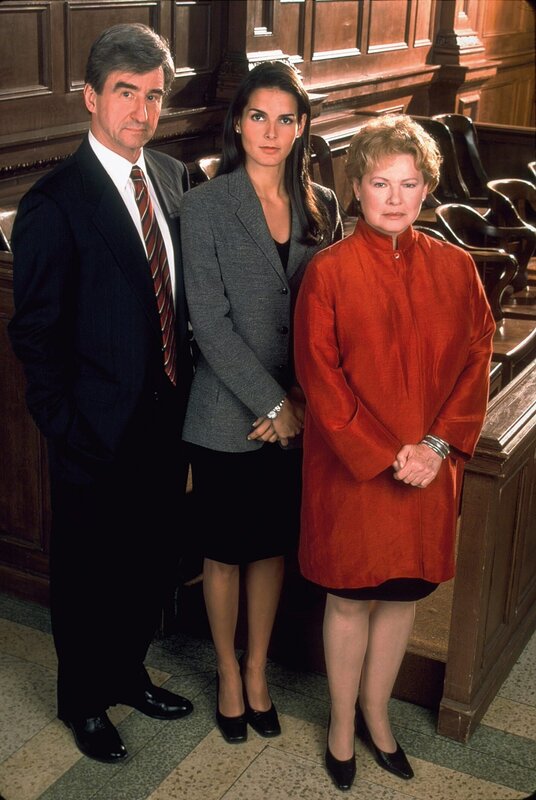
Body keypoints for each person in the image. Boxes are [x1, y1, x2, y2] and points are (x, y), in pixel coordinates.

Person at [8, 23, 194, 763]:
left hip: (167, 418)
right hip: (94, 429)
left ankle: (127, 673)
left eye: (154, 96)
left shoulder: (174, 177)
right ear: (91, 97)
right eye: (126, 93)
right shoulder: (55, 202)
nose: (142, 112)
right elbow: (35, 335)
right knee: (89, 573)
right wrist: (67, 427)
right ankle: (84, 700)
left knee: (147, 561)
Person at [294, 114, 495, 790]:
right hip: (352, 473)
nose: (394, 197)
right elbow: (320, 380)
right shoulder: (327, 272)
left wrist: (435, 447)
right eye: (380, 182)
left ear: (427, 190)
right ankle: (340, 722)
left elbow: (476, 360)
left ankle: (377, 715)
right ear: (356, 187)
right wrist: (387, 455)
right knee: (351, 599)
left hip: (430, 471)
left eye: (409, 184)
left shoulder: (458, 268)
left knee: (403, 596)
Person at [180, 61, 342, 744]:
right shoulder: (205, 205)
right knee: (223, 552)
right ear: (238, 123)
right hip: (227, 413)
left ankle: (256, 670)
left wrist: (299, 400)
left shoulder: (321, 204)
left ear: (301, 127)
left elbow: (329, 314)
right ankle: (225, 670)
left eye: (284, 119)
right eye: (257, 117)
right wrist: (276, 406)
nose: (270, 132)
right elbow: (210, 324)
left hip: (297, 411)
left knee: (270, 549)